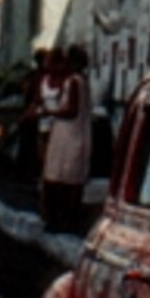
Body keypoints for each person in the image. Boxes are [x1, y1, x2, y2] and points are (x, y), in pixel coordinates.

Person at [39, 44, 94, 232]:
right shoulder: (79, 81)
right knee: (64, 175)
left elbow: (71, 110)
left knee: (62, 176)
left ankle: (60, 219)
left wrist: (49, 111)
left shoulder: (74, 82)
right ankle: (64, 219)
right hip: (70, 133)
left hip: (69, 133)